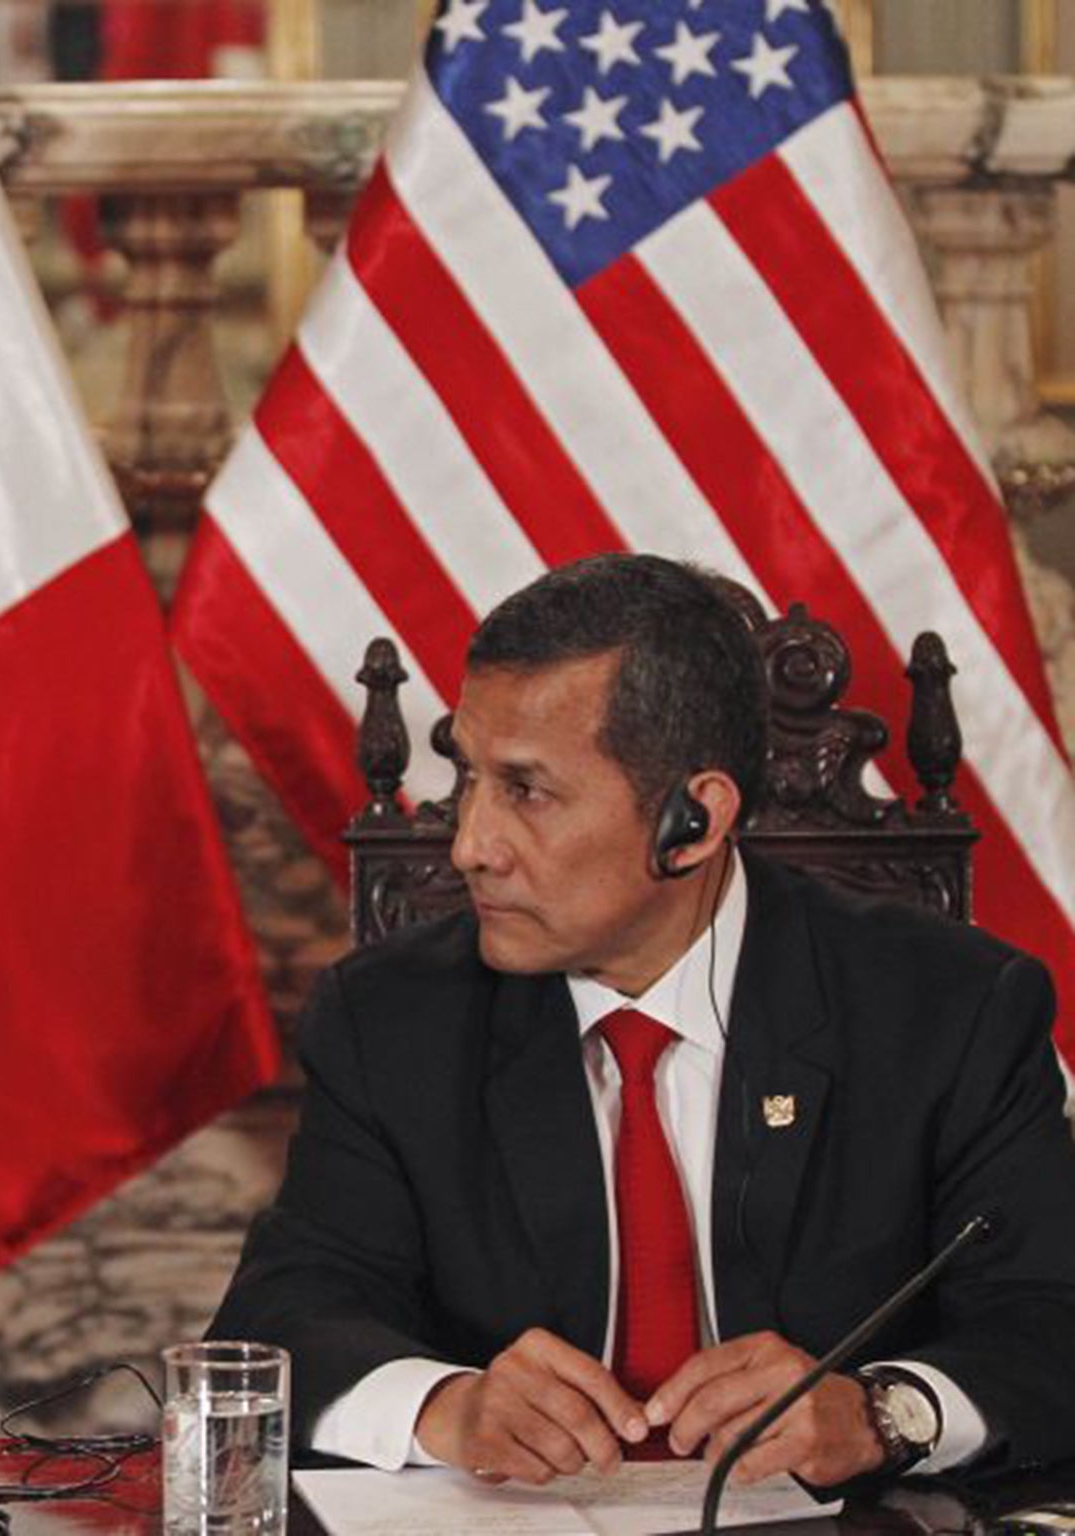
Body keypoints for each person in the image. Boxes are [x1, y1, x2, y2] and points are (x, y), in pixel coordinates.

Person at [211, 553, 1075, 1489]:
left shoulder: (949, 1009)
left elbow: (1050, 1318)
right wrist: (445, 1406)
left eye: (527, 791)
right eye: (468, 777)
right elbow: (282, 1317)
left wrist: (885, 1412)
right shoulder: (390, 1019)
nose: (468, 845)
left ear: (692, 826)